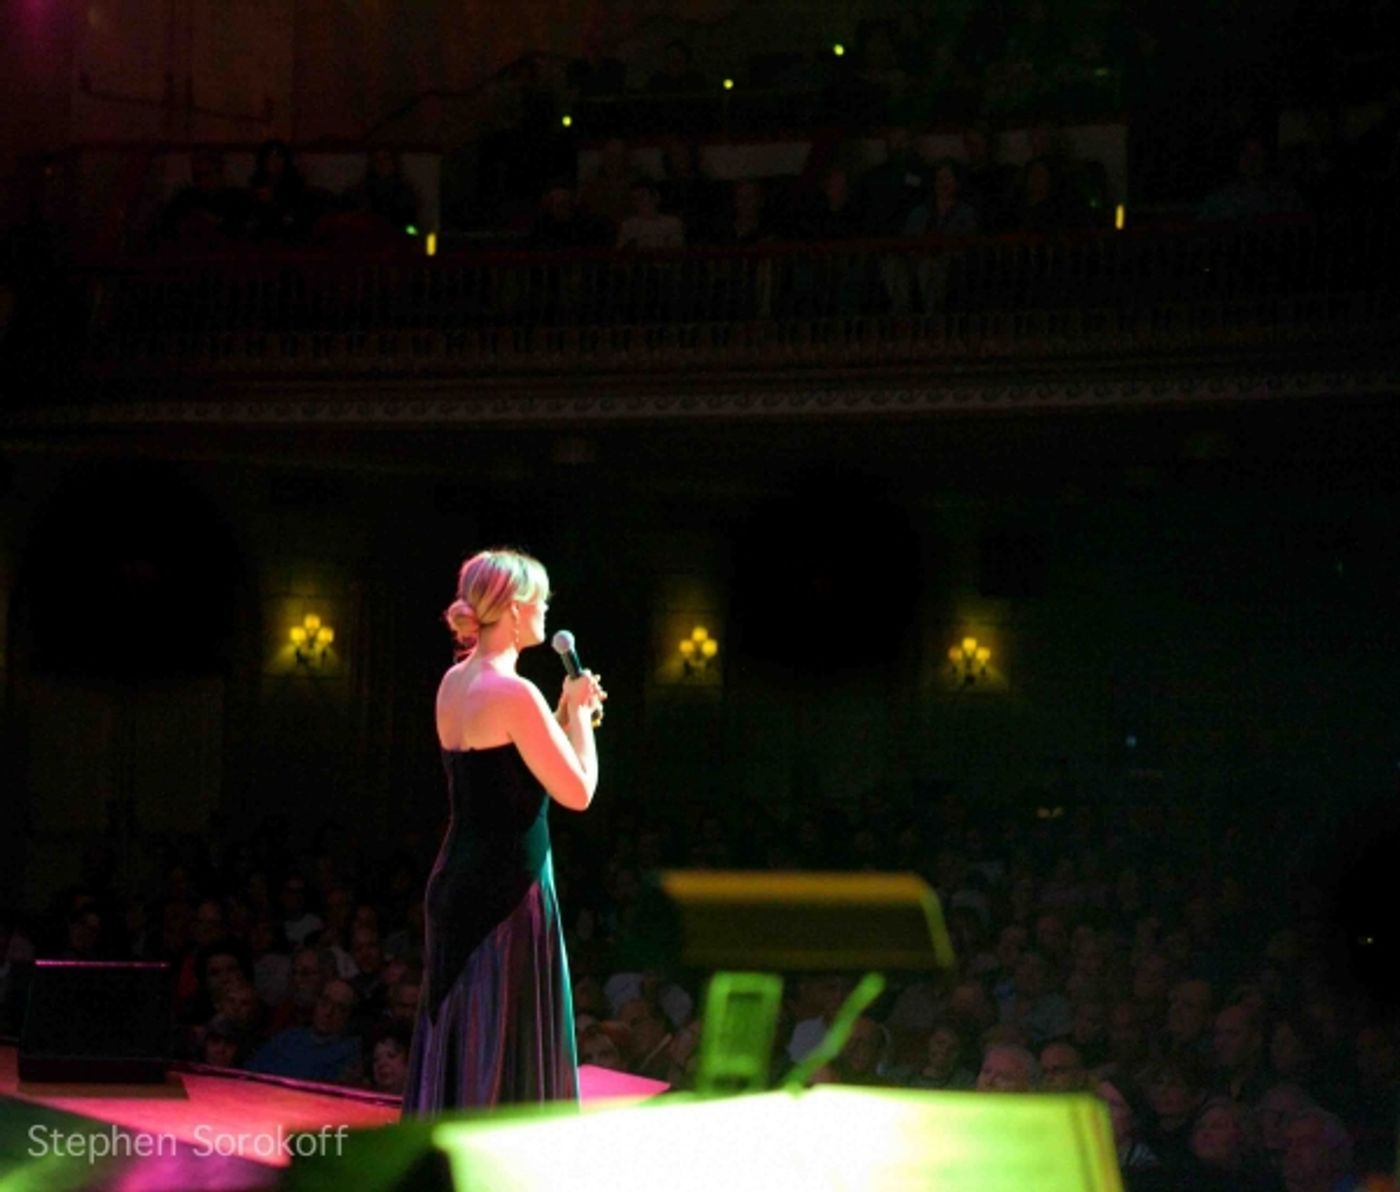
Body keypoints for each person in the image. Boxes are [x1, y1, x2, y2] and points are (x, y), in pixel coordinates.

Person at [402, 548, 604, 1113]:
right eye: (539, 600)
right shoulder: (516, 693)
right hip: (508, 892)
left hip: (456, 882)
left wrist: (563, 716)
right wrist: (582, 719)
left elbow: (510, 771)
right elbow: (578, 791)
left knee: (464, 1041)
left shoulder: (454, 682)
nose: (545, 610)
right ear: (514, 609)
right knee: (499, 1047)